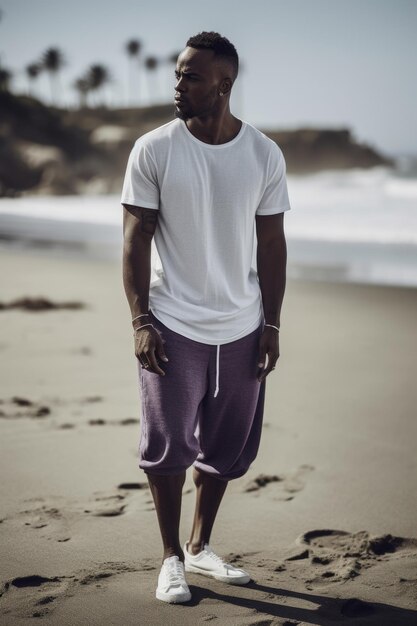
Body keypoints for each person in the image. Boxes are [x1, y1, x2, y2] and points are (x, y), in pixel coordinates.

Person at [121, 31, 291, 604]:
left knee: (227, 446)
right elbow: (134, 239)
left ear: (224, 84)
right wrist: (141, 320)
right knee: (167, 445)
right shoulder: (154, 149)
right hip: (173, 321)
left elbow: (272, 244)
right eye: (177, 73)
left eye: (190, 76)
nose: (177, 85)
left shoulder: (263, 154)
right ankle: (170, 557)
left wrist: (271, 323)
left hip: (242, 327)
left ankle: (200, 546)